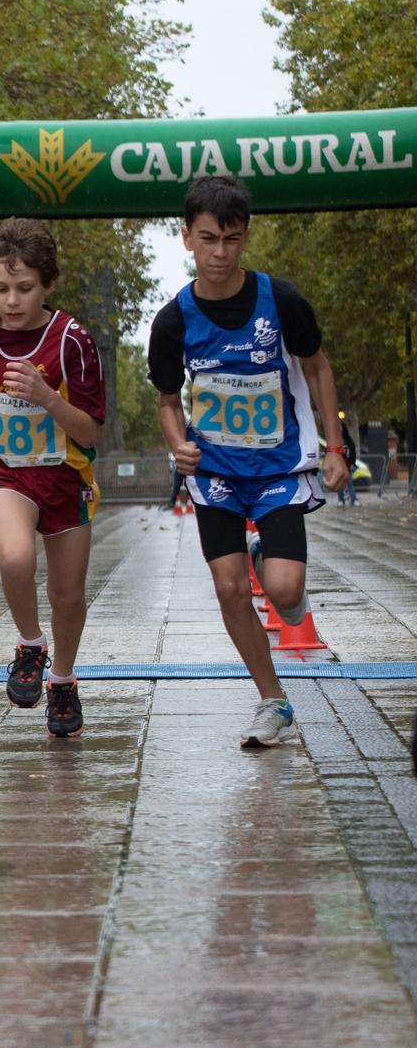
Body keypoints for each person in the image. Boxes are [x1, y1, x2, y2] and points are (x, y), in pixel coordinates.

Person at [147, 174, 347, 749]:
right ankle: (272, 701)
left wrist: (334, 448)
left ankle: (268, 556)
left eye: (231, 239)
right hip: (214, 475)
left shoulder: (280, 299)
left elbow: (318, 367)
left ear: (245, 237)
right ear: (186, 237)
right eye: (207, 238)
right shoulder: (173, 321)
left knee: (284, 594)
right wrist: (177, 442)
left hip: (280, 468)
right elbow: (166, 401)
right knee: (231, 590)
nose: (218, 252)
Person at [0, 218, 104, 740]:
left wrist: (47, 398)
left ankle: (62, 680)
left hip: (64, 477)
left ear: (49, 284)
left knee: (68, 594)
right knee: (15, 558)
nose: (12, 301)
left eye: (24, 289)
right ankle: (30, 645)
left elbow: (90, 432)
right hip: (6, 474)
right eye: (0, 288)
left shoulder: (73, 341)